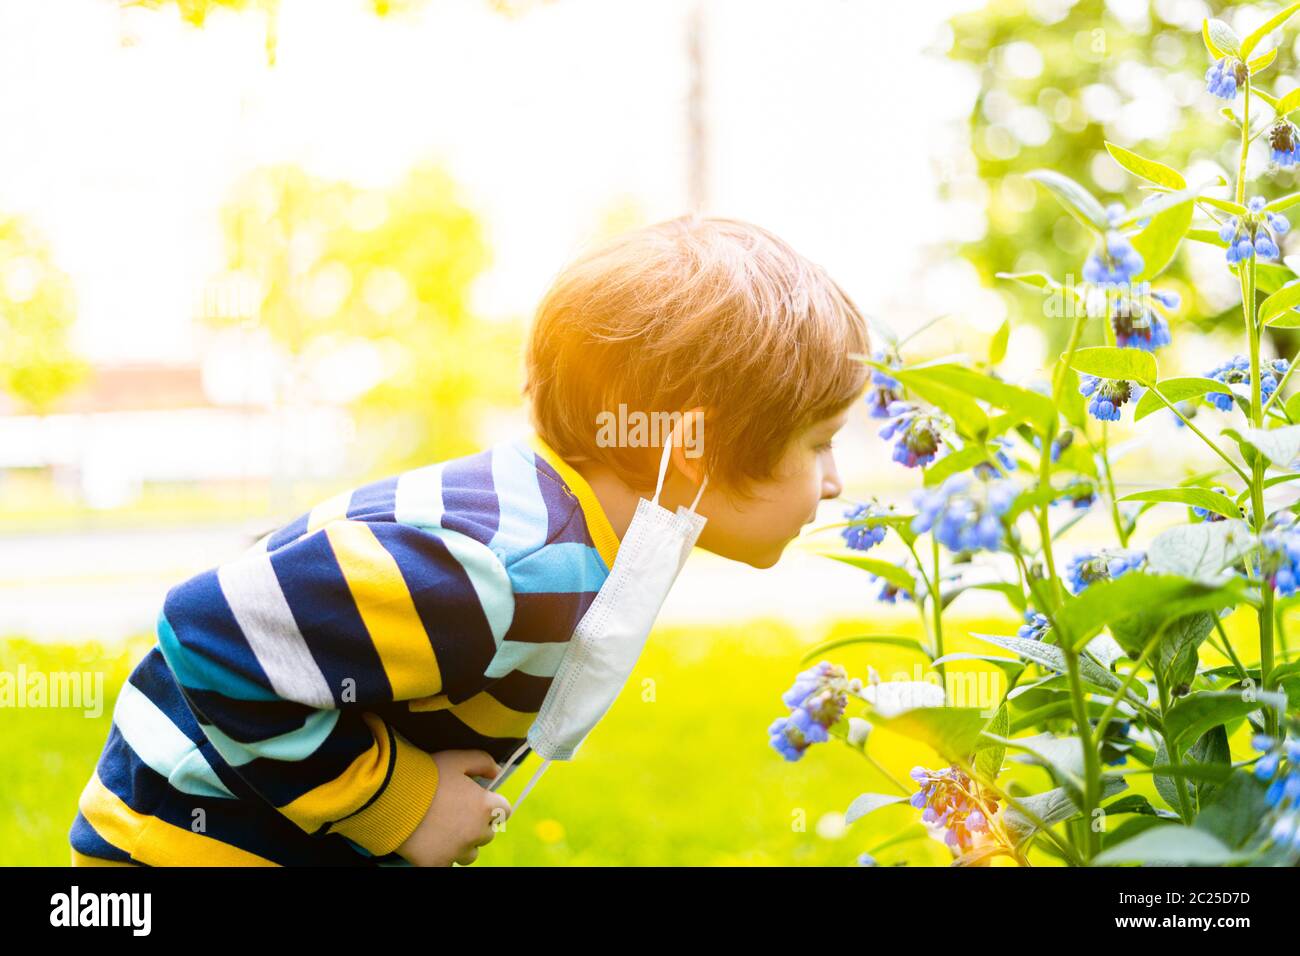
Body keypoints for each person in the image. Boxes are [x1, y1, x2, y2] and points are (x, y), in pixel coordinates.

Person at [68, 214, 869, 867]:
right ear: (695, 440)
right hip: (190, 842)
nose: (834, 482)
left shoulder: (575, 534)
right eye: (818, 443)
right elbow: (209, 631)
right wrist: (402, 803)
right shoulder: (493, 563)